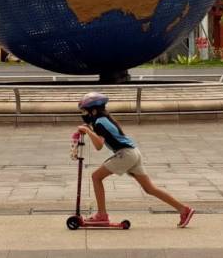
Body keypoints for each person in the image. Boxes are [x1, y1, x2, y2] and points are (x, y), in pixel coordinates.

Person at [77, 91, 195, 228]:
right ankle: (184, 210)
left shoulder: (99, 123)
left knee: (96, 177)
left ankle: (101, 215)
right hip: (133, 152)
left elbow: (98, 146)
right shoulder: (104, 119)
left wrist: (88, 131)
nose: (83, 115)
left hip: (125, 154)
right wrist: (90, 130)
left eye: (85, 111)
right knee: (149, 188)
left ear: (94, 110)